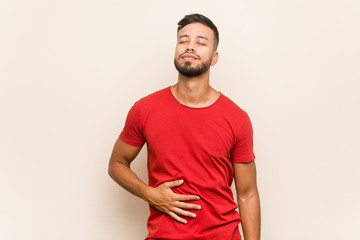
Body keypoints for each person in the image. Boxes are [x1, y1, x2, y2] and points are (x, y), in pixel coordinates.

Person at [108, 13, 261, 240]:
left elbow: (247, 195)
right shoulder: (144, 109)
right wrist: (149, 193)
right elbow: (117, 164)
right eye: (183, 40)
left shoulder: (237, 118)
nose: (190, 47)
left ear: (215, 57)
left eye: (200, 42)